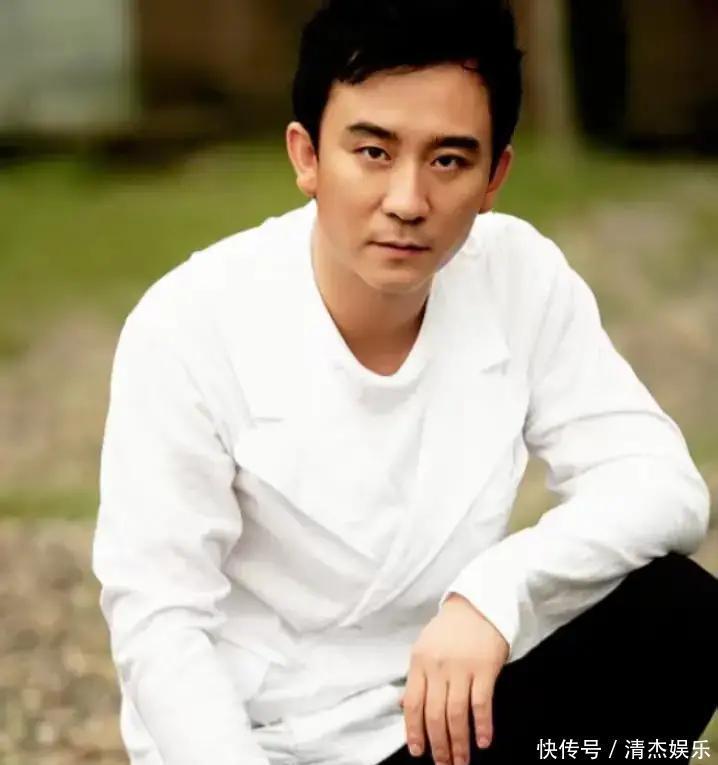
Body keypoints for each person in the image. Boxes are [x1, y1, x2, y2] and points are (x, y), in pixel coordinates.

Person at [92, 0, 717, 763]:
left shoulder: (517, 277)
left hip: (441, 723)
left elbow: (662, 485)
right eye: (373, 152)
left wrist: (494, 592)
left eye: (448, 160)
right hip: (267, 744)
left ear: (495, 176)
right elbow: (159, 617)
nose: (408, 201)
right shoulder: (190, 323)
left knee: (678, 613)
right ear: (307, 156)